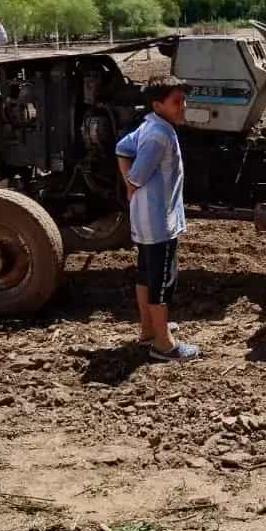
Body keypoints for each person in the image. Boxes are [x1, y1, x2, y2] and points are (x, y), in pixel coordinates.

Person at [116, 76, 199, 363]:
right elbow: (138, 174)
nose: (183, 106)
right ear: (157, 104)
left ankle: (149, 329)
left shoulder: (151, 124)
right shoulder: (159, 134)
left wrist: (130, 186)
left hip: (146, 220)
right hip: (158, 222)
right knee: (162, 281)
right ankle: (163, 345)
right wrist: (131, 183)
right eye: (176, 102)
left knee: (145, 274)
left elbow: (122, 149)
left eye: (183, 100)